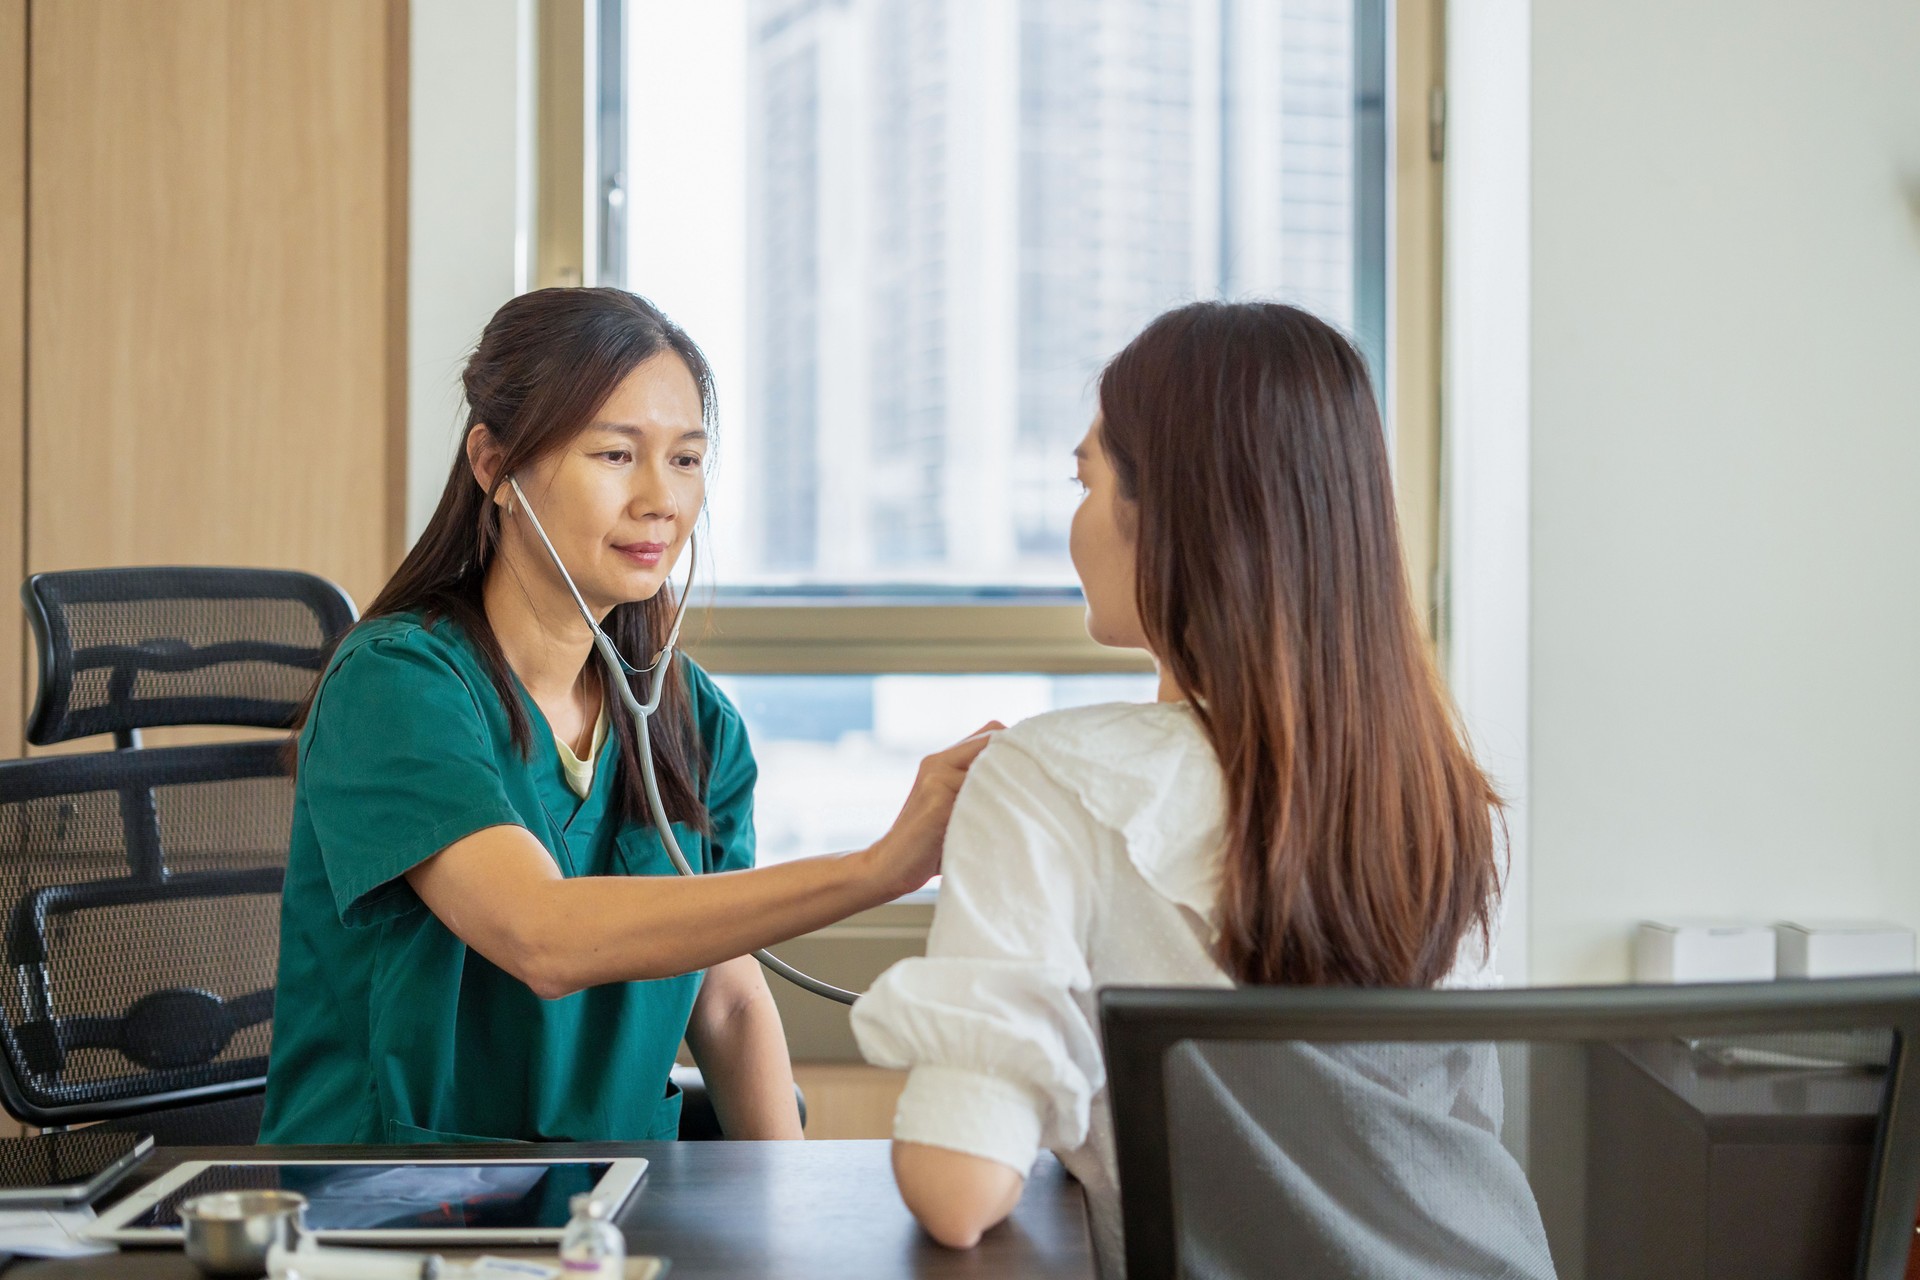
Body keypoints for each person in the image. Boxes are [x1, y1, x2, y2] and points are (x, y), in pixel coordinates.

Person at [851, 302, 1552, 1278]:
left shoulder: (1043, 781)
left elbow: (958, 1188)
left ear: (1169, 516)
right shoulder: (1447, 805)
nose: (1076, 516)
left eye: (1085, 478)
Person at [261, 287, 993, 1145]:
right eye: (615, 455)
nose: (660, 500)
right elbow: (543, 938)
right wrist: (876, 870)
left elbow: (724, 1002)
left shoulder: (694, 720)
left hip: (615, 1210)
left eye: (686, 460)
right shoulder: (397, 686)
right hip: (400, 1217)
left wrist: (791, 1216)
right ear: (494, 466)